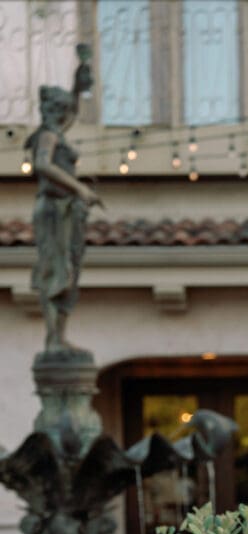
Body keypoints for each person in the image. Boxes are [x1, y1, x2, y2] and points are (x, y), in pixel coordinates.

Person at [26, 46, 102, 353]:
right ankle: (53, 338)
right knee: (55, 270)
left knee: (70, 270)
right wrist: (79, 188)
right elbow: (42, 165)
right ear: (57, 110)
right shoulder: (47, 135)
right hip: (53, 209)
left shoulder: (59, 130)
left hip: (67, 211)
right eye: (65, 107)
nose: (70, 113)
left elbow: (75, 108)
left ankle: (60, 335)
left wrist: (79, 75)